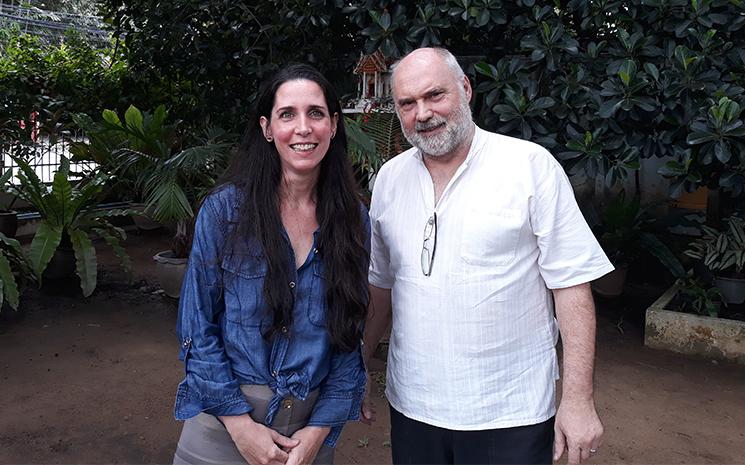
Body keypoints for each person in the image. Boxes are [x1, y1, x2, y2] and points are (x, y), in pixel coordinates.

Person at [361, 47, 614, 465]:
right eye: (408, 103)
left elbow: (571, 287)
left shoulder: (529, 167)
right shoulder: (390, 179)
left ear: (465, 89)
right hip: (413, 406)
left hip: (509, 411)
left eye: (434, 95)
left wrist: (578, 400)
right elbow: (380, 285)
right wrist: (360, 365)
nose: (422, 113)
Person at [172, 63, 370, 465]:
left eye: (315, 113)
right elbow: (197, 325)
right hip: (223, 425)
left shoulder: (352, 220)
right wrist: (241, 427)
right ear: (267, 128)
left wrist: (320, 430)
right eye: (287, 114)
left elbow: (349, 335)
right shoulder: (226, 212)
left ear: (333, 125)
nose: (303, 128)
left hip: (309, 435)